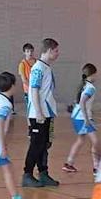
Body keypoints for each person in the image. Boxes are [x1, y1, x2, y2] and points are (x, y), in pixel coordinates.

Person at [23, 37, 60, 188]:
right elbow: (34, 90)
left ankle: (43, 173)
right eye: (56, 51)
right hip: (38, 114)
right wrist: (38, 112)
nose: (58, 53)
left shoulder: (46, 68)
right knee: (36, 145)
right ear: (49, 50)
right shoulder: (38, 68)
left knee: (44, 145)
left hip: (47, 113)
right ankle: (27, 174)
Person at [64, 63, 100, 174]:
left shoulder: (83, 85)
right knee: (95, 141)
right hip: (82, 118)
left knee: (80, 140)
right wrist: (87, 119)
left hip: (77, 117)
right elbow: (82, 102)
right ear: (92, 75)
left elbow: (79, 101)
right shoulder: (91, 88)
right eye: (96, 74)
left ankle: (69, 163)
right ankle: (96, 167)